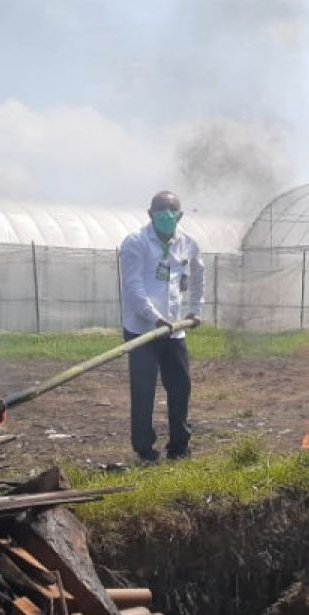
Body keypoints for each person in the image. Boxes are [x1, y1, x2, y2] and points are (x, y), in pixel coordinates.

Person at [119, 191, 205, 463]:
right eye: (161, 211)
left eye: (172, 212)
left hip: (174, 330)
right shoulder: (136, 243)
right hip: (142, 330)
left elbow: (199, 277)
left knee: (180, 387)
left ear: (179, 216)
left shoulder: (188, 244)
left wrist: (196, 310)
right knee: (143, 390)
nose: (167, 216)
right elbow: (133, 287)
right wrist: (155, 317)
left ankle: (179, 446)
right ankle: (145, 450)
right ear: (150, 215)